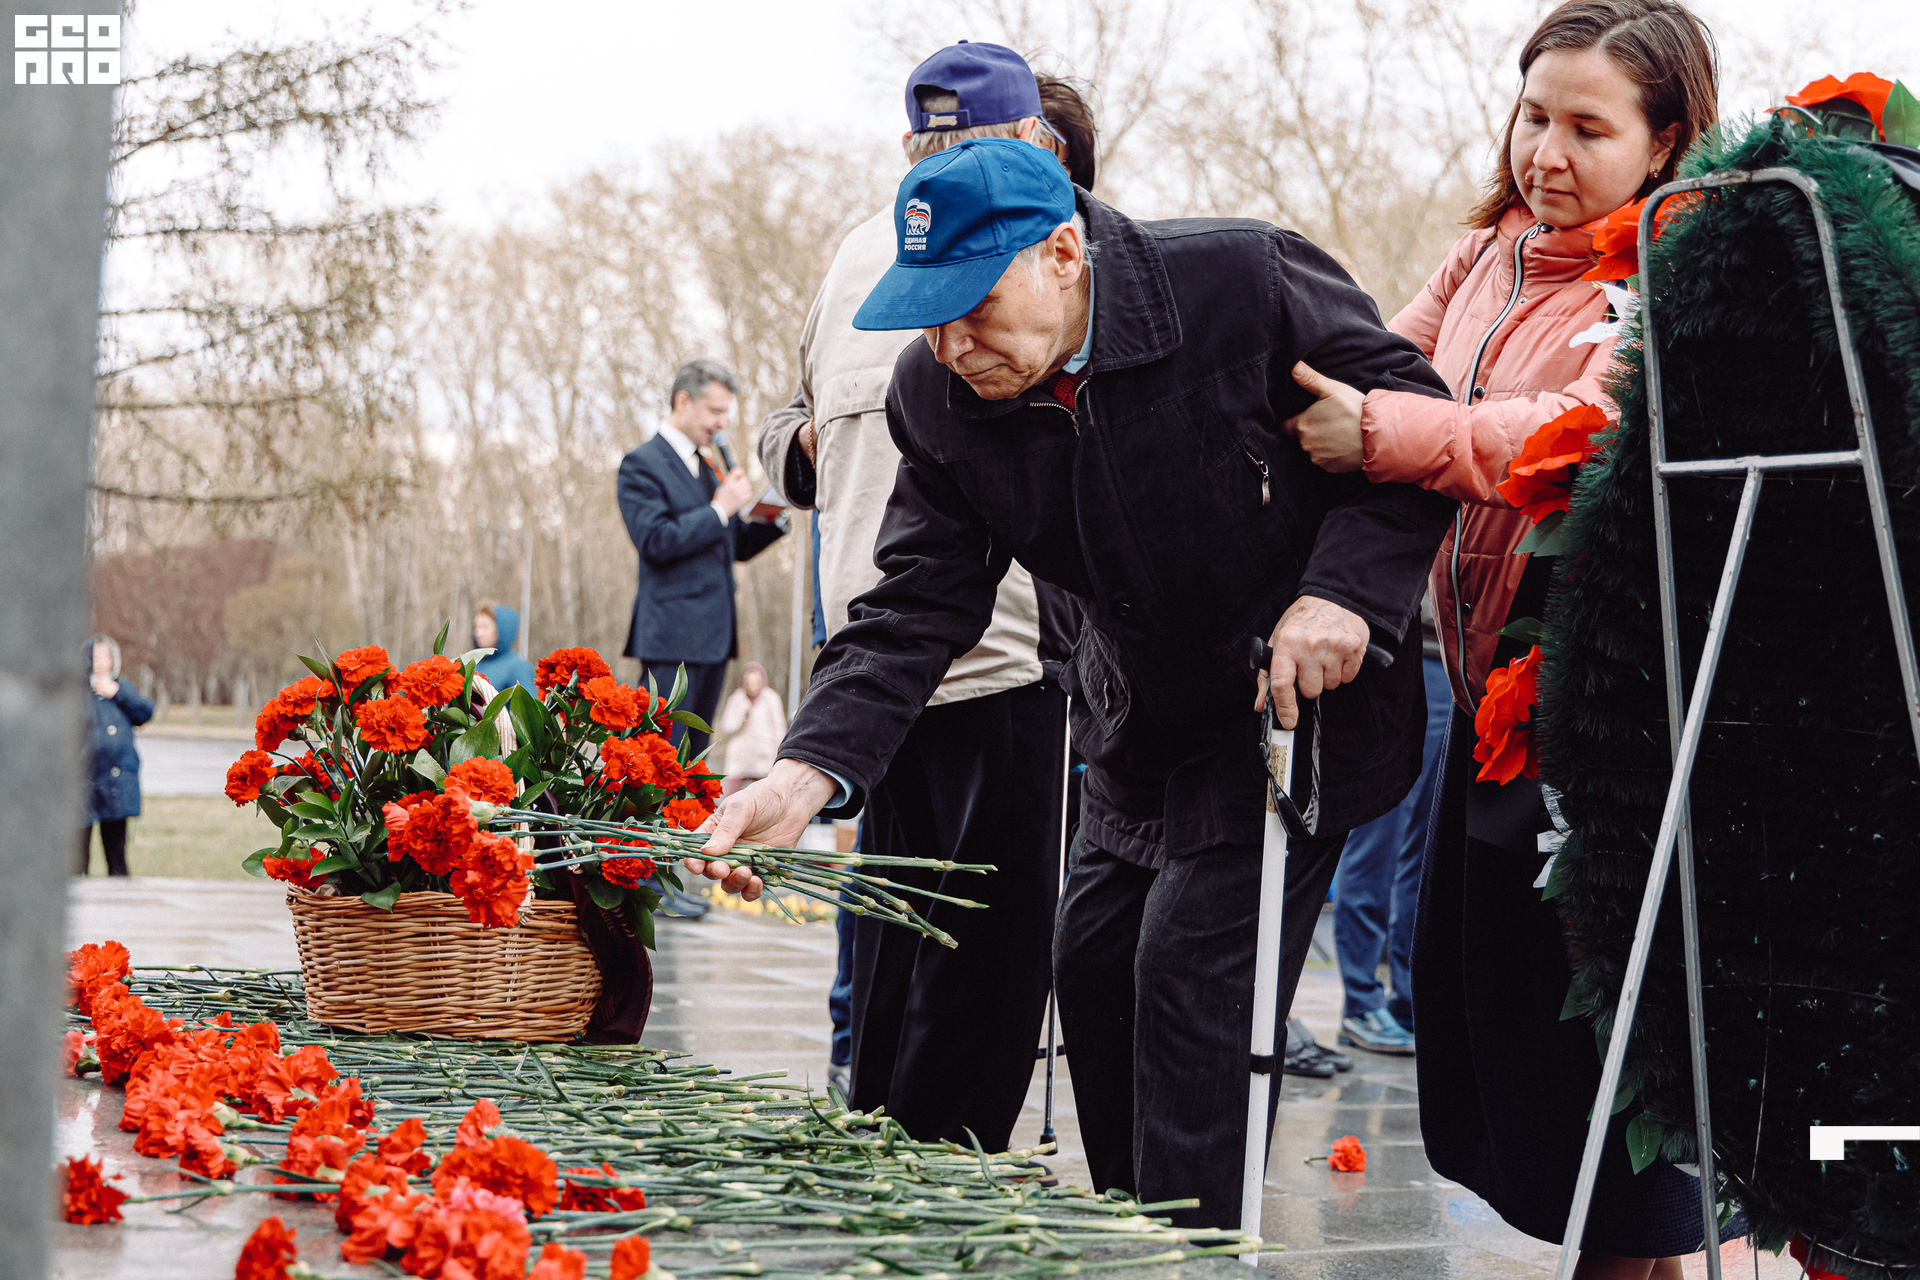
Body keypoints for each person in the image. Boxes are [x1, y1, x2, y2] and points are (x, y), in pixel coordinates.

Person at [697, 134, 1456, 1224]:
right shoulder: (940, 397)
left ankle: (1185, 1243)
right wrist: (805, 771)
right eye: (932, 313)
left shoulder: (1243, 282)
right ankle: (1137, 1232)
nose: (955, 343)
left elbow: (1411, 428)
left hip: (1285, 711)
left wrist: (1343, 590)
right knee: (1093, 973)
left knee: (1187, 985)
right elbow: (914, 604)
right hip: (1130, 727)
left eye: (977, 305)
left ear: (1062, 252)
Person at [1281, 2, 1719, 1272]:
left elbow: (1583, 429)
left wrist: (1382, 434)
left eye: (1591, 126)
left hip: (1602, 731)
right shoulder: (1489, 253)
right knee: (1525, 1080)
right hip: (1476, 708)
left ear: (1668, 139)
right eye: (1537, 115)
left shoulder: (1674, 272)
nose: (1549, 152)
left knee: (1612, 1109)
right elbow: (1394, 365)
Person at [753, 43, 1092, 1154]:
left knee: (904, 938)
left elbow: (788, 443)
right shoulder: (955, 261)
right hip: (962, 649)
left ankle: (884, 1147)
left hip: (904, 661)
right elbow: (783, 437)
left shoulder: (881, 255)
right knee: (971, 964)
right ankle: (937, 1169)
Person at [619, 358, 785, 759]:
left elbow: (733, 546)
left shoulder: (708, 465)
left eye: (726, 412)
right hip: (672, 642)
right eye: (715, 410)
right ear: (682, 401)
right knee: (660, 759)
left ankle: (689, 824)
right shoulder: (641, 464)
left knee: (693, 762)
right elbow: (655, 540)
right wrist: (718, 509)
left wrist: (773, 514)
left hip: (715, 638)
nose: (722, 422)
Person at [1329, 601, 1448, 1056]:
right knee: (1376, 842)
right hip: (1396, 655)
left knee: (1425, 849)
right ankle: (1360, 1002)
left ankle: (1408, 996)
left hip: (1454, 667)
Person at [80, 635, 153, 876]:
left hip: (116, 784)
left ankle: (121, 908)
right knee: (78, 857)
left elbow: (144, 713)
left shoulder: (122, 688)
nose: (101, 662)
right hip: (85, 785)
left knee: (116, 856)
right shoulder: (77, 693)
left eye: (106, 656)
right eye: (95, 657)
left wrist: (117, 692)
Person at [716, 661, 785, 794]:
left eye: (756, 682)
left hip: (764, 755)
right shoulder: (736, 699)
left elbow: (779, 727)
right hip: (740, 757)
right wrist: (740, 721)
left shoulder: (771, 698)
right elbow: (726, 726)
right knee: (731, 796)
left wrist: (779, 751)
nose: (753, 687)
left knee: (765, 796)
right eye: (750, 683)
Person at [473, 601, 537, 695]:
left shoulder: (518, 667)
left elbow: (529, 707)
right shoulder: (475, 664)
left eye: (485, 627)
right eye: (476, 627)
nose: (478, 634)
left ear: (502, 629)